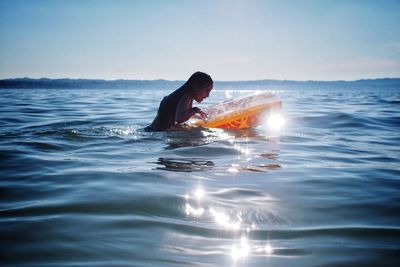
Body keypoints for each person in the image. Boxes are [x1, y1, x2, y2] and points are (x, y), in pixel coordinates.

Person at [145, 71, 213, 131]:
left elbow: (177, 117)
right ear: (195, 87)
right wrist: (195, 110)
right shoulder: (186, 96)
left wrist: (195, 114)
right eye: (207, 90)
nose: (208, 95)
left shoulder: (180, 95)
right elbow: (180, 118)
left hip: (152, 130)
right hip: (155, 132)